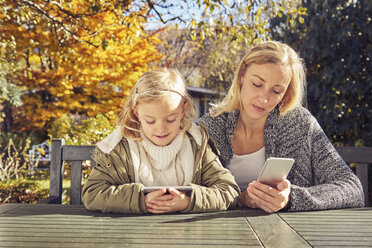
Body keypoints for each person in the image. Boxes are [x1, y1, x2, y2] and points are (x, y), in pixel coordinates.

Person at [198, 41, 364, 213]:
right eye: (257, 84)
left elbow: (352, 189)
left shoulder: (300, 124)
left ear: (286, 93)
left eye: (276, 91)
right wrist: (241, 198)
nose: (264, 99)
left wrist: (291, 198)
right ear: (242, 76)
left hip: (289, 234)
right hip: (218, 233)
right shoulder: (208, 128)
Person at [82, 68, 240, 214]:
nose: (161, 129)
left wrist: (188, 202)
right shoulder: (120, 148)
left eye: (171, 119)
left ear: (183, 110)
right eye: (150, 121)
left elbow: (229, 191)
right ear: (136, 114)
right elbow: (93, 193)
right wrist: (140, 200)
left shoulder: (197, 144)